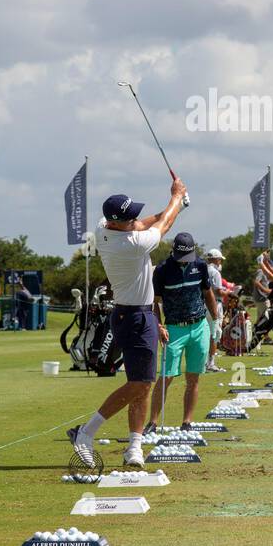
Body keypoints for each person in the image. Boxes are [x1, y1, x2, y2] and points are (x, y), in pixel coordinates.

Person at [69, 181, 188, 470]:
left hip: (140, 314)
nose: (136, 218)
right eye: (130, 217)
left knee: (143, 386)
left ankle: (134, 446)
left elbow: (144, 222)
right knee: (140, 383)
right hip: (134, 317)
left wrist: (169, 207)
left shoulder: (104, 227)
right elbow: (164, 226)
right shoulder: (131, 245)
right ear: (117, 223)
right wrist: (176, 199)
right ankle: (85, 432)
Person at [146, 232, 220, 433]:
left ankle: (187, 422)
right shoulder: (162, 270)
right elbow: (155, 303)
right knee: (166, 376)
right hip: (173, 328)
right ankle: (152, 423)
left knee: (193, 377)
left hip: (199, 326)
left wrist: (216, 317)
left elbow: (207, 292)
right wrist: (158, 326)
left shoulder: (201, 265)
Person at [204, 248, 228, 373]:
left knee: (204, 334)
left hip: (202, 305)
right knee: (214, 334)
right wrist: (228, 292)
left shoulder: (202, 269)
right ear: (216, 259)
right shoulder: (215, 273)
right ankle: (211, 363)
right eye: (219, 260)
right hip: (214, 305)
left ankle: (203, 362)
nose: (220, 262)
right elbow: (218, 291)